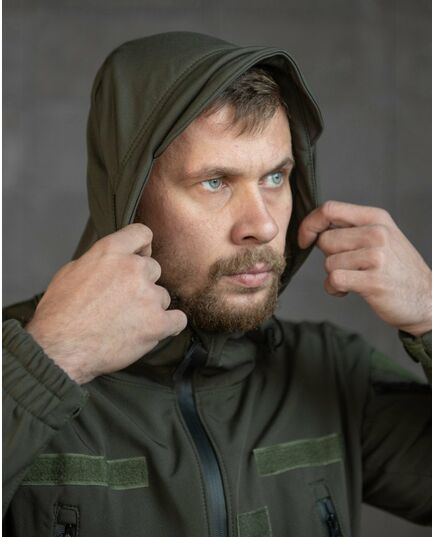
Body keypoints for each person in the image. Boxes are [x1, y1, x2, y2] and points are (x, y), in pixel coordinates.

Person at [3, 31, 431, 537]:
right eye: (215, 182)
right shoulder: (19, 361)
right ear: (130, 192)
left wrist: (431, 314)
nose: (263, 226)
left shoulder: (332, 373)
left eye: (275, 177)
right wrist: (49, 361)